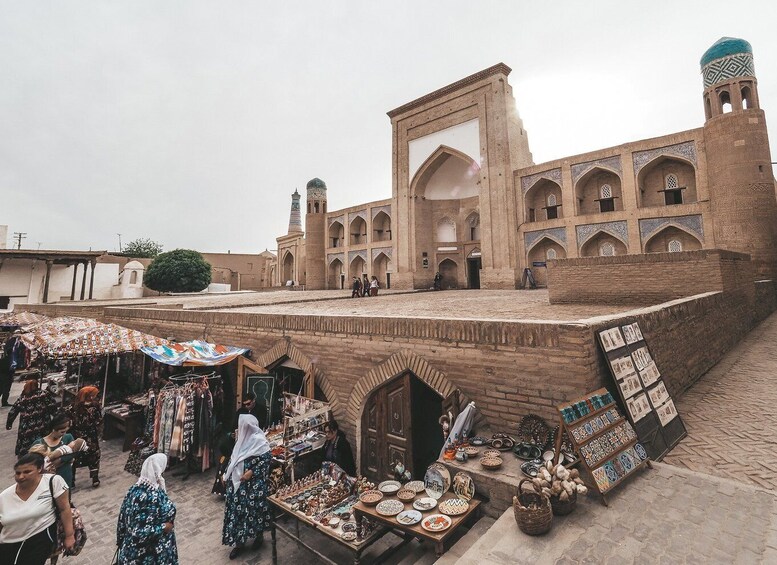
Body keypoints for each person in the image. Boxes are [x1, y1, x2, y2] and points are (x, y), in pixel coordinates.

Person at [0, 452, 74, 565]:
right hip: (7, 543)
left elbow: (64, 509)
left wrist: (69, 536)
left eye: (27, 472)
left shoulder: (53, 482)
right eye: (18, 473)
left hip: (39, 538)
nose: (21, 476)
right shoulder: (4, 496)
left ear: (39, 469)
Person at [222, 414, 271, 560]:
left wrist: (252, 472)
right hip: (237, 485)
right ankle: (239, 543)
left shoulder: (260, 441)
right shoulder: (241, 441)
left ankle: (258, 536)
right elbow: (234, 459)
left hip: (254, 486)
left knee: (255, 511)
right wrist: (226, 474)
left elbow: (267, 458)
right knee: (238, 513)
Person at [116, 454, 178, 564]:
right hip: (151, 556)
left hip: (130, 552)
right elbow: (139, 532)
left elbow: (122, 520)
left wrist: (121, 542)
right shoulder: (154, 497)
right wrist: (164, 527)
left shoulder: (133, 490)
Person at [6, 379, 57, 456]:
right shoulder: (44, 394)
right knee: (44, 444)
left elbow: (13, 411)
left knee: (29, 447)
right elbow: (52, 407)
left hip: (27, 427)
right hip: (43, 424)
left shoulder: (22, 398)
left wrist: (9, 423)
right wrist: (57, 419)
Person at [70, 386, 103, 488]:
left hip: (77, 435)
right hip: (91, 435)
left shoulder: (73, 407)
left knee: (75, 456)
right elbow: (99, 420)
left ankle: (72, 480)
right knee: (93, 456)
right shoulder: (95, 406)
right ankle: (95, 478)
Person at [33, 412, 75, 488]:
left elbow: (74, 453)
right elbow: (34, 464)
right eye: (62, 432)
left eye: (66, 431)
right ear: (54, 429)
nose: (64, 434)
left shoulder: (68, 438)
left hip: (65, 476)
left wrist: (60, 460)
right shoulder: (39, 444)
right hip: (47, 481)